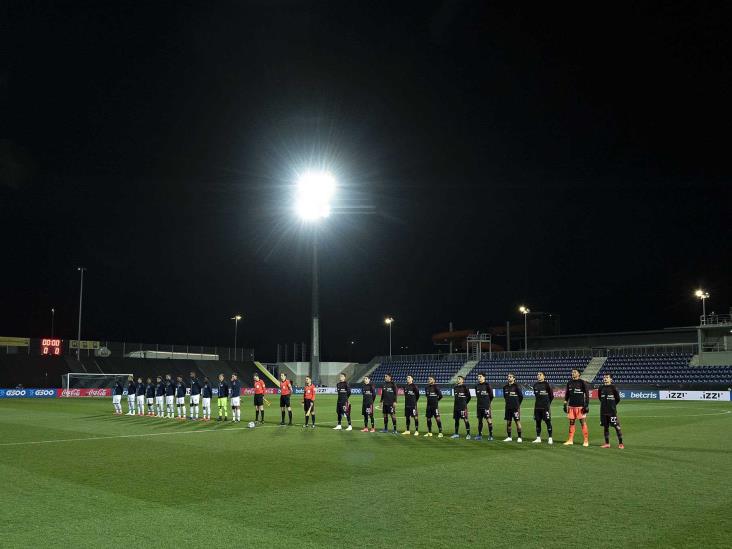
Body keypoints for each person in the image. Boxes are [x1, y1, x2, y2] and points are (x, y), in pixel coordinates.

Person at [563, 368, 590, 446]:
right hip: (571, 406)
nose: (573, 373)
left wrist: (586, 405)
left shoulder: (582, 382)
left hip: (580, 406)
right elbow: (567, 394)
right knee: (571, 423)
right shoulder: (569, 382)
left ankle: (586, 441)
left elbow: (587, 395)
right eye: (572, 372)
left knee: (582, 422)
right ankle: (570, 440)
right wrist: (565, 404)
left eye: (574, 372)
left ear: (579, 374)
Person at [598, 374, 624, 449]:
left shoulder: (614, 388)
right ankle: (607, 443)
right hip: (603, 411)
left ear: (611, 379)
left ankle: (621, 443)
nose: (605, 379)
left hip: (612, 412)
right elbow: (600, 398)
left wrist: (612, 405)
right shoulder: (601, 387)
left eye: (607, 377)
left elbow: (618, 399)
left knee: (616, 426)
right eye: (604, 377)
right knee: (605, 427)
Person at [532, 372, 554, 444]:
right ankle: (538, 438)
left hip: (545, 407)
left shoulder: (547, 385)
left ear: (544, 376)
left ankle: (550, 438)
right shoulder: (535, 385)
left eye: (540, 375)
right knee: (538, 422)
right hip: (537, 407)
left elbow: (551, 396)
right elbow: (536, 396)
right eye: (537, 375)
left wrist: (547, 403)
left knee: (548, 422)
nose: (538, 376)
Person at [502, 373, 523, 442]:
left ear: (514, 378)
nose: (509, 378)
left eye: (510, 377)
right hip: (508, 407)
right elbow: (505, 397)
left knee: (517, 421)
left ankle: (519, 437)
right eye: (508, 377)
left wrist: (517, 404)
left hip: (515, 407)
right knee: (508, 422)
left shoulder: (517, 386)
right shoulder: (505, 387)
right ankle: (509, 437)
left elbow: (521, 396)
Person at [474, 373, 494, 441]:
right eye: (478, 377)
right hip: (479, 406)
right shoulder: (477, 386)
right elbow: (477, 395)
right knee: (480, 421)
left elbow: (491, 396)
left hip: (486, 406)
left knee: (488, 420)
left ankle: (491, 435)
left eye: (480, 376)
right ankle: (479, 434)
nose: (479, 378)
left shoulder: (487, 385)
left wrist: (487, 403)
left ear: (484, 377)